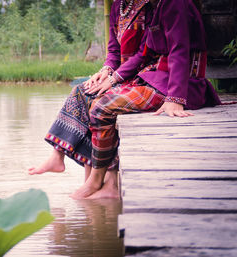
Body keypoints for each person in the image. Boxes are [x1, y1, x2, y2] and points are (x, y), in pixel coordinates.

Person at [70, 0, 221, 199]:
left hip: (181, 85)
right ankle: (103, 182)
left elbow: (180, 51)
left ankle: (97, 180)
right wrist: (111, 76)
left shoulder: (175, 3)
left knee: (102, 108)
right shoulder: (155, 6)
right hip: (156, 78)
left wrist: (175, 98)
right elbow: (143, 53)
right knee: (93, 95)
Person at [29, 0, 154, 197]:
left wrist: (114, 79)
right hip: (122, 75)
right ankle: (58, 155)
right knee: (83, 90)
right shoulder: (118, 7)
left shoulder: (149, 6)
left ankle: (105, 184)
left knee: (98, 102)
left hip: (144, 76)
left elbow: (143, 54)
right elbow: (114, 51)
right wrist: (105, 71)